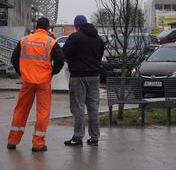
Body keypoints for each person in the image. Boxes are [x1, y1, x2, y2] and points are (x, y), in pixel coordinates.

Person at [7, 17, 65, 152]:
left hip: (27, 81)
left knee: (21, 110)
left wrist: (22, 72)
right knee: (42, 112)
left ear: (36, 26)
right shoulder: (51, 42)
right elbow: (60, 60)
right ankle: (38, 143)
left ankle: (12, 140)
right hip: (43, 82)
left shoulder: (25, 40)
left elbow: (13, 58)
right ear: (47, 28)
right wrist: (51, 73)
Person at [62, 14, 105, 147]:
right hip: (94, 76)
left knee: (78, 107)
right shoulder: (98, 39)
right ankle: (94, 137)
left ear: (77, 26)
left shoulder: (75, 37)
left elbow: (64, 53)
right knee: (93, 107)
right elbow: (100, 55)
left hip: (78, 77)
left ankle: (78, 136)